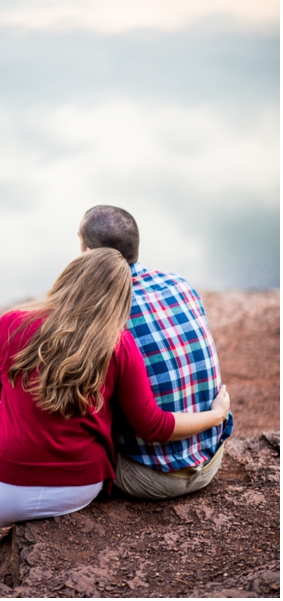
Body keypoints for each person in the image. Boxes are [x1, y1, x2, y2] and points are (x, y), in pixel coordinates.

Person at [0, 248, 231, 572]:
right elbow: (154, 426)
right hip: (79, 491)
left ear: (66, 279)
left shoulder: (11, 324)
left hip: (1, 494)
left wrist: (20, 410)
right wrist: (217, 415)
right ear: (120, 299)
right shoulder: (120, 344)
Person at [78, 205, 233, 499]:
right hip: (211, 461)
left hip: (148, 477)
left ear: (89, 253)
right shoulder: (180, 285)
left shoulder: (101, 313)